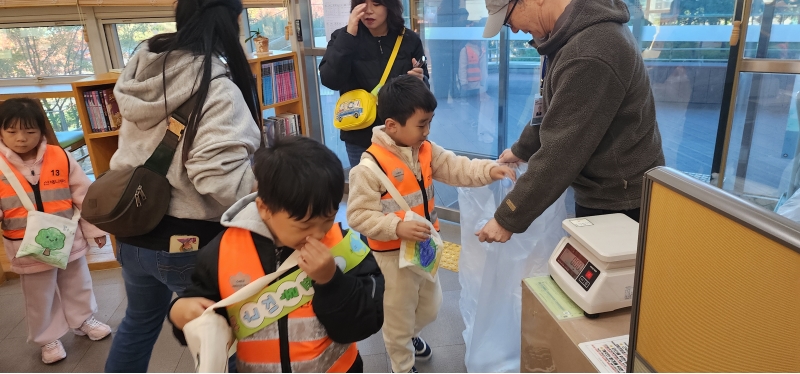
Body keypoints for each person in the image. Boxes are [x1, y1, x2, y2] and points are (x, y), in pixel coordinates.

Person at [104, 0, 262, 371]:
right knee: (225, 334)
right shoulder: (215, 87)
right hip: (186, 241)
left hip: (132, 232)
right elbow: (216, 176)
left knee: (139, 324)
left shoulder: (145, 68)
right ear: (232, 21)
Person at [169, 136, 385, 372]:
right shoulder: (222, 252)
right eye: (304, 225)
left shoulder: (344, 246)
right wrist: (180, 314)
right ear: (264, 208)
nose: (317, 234)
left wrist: (331, 281)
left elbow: (367, 322)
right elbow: (206, 315)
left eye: (328, 219)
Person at [347, 76, 516, 373]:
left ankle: (410, 336)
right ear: (392, 126)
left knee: (430, 306)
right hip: (391, 258)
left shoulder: (425, 149)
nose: (427, 131)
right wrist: (396, 228)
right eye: (421, 124)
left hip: (424, 249)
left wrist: (490, 170)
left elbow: (457, 167)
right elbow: (358, 216)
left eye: (430, 123)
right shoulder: (368, 168)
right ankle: (402, 365)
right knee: (398, 317)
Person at [475, 0, 665, 243]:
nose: (512, 29)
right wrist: (521, 149)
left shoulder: (590, 50)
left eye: (508, 19)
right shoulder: (568, 37)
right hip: (604, 187)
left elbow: (562, 151)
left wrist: (508, 216)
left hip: (619, 200)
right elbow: (554, 110)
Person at [0, 98, 111, 364]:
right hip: (26, 245)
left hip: (67, 237)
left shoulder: (60, 155)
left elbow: (83, 195)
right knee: (39, 294)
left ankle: (83, 319)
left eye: (29, 131)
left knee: (78, 282)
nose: (21, 139)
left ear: (41, 131)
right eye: (12, 131)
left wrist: (94, 228)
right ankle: (47, 337)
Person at [319, 0, 429, 168]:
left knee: (403, 190)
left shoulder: (409, 39)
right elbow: (330, 80)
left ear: (389, 6)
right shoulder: (343, 37)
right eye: (362, 3)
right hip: (359, 134)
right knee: (367, 190)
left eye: (376, 4)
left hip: (401, 134)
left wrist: (420, 80)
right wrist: (348, 36)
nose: (368, 10)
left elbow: (425, 90)